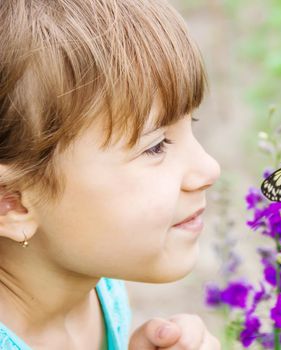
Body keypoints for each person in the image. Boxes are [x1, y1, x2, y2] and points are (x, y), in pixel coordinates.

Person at [0, 0, 222, 349]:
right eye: (156, 146)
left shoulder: (97, 288)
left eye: (189, 124)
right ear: (11, 204)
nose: (209, 168)